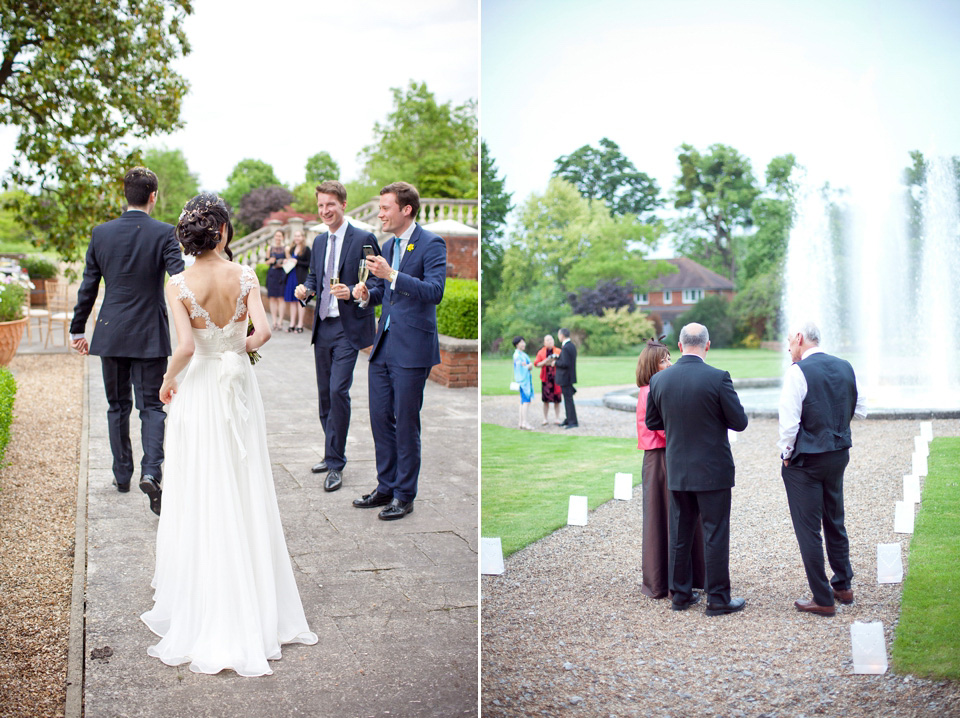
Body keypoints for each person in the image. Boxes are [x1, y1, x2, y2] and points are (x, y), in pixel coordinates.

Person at [141, 193, 317, 676]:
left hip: (198, 387)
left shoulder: (177, 283)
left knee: (201, 485)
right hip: (238, 385)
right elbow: (262, 333)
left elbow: (181, 348)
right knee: (243, 480)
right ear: (222, 231)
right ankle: (256, 599)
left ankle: (205, 598)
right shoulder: (245, 276)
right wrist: (234, 348)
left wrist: (166, 382)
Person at [70, 167, 185, 516]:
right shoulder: (165, 233)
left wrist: (78, 329)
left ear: (126, 195)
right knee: (151, 406)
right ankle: (152, 471)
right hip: (150, 333)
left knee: (116, 405)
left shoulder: (101, 233)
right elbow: (180, 281)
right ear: (153, 196)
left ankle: (122, 473)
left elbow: (89, 285)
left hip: (111, 332)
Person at [351, 181, 446, 521]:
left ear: (406, 209)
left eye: (386, 207)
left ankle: (405, 495)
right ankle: (386, 487)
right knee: (380, 419)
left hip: (413, 349)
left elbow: (435, 291)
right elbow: (382, 293)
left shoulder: (432, 243)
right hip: (383, 347)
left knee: (406, 423)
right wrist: (363, 294)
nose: (380, 213)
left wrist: (391, 274)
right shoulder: (388, 245)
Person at [645, 323, 748, 616]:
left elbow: (653, 423)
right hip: (713, 470)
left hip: (678, 467)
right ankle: (717, 599)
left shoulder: (660, 381)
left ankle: (680, 594)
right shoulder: (718, 378)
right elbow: (739, 421)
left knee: (680, 532)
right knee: (714, 531)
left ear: (679, 346)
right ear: (707, 345)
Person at [295, 181, 380, 492]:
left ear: (343, 204)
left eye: (330, 204)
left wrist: (359, 292)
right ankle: (331, 451)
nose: (324, 210)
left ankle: (336, 464)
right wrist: (305, 291)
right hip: (323, 327)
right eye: (320, 205)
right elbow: (315, 277)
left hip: (349, 329)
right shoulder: (318, 242)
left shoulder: (363, 238)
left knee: (337, 392)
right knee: (323, 397)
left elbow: (378, 282)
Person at [778, 321, 866, 616]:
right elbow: (861, 408)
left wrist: (786, 455)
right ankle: (843, 585)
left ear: (801, 339)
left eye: (790, 340)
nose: (788, 346)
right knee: (835, 520)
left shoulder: (797, 371)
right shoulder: (845, 366)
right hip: (839, 453)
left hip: (808, 460)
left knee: (808, 529)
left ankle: (822, 598)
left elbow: (789, 423)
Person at [635, 338, 706, 599]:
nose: (669, 363)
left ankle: (686, 577)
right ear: (651, 366)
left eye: (668, 358)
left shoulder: (655, 387)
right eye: (663, 360)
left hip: (665, 457)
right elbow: (659, 428)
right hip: (660, 460)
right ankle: (666, 582)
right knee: (667, 518)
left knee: (676, 517)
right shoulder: (650, 390)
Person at [284, 230, 311, 333]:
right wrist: (287, 261)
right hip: (291, 276)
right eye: (295, 236)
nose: (297, 238)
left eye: (299, 236)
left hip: (301, 277)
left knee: (300, 301)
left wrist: (297, 262)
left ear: (303, 237)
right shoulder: (292, 249)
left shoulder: (306, 249)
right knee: (292, 301)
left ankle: (300, 324)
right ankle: (292, 324)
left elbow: (309, 264)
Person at [534, 334, 562, 425]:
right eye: (548, 340)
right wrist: (545, 361)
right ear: (544, 342)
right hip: (546, 379)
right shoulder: (541, 352)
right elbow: (536, 364)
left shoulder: (558, 351)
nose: (550, 341)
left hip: (556, 378)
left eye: (551, 339)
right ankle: (545, 418)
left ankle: (557, 418)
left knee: (557, 400)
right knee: (545, 400)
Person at [554, 327, 578, 428]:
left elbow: (565, 363)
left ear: (562, 335)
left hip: (566, 378)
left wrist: (555, 362)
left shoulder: (567, 347)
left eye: (559, 335)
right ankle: (569, 419)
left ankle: (572, 421)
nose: (558, 337)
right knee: (568, 399)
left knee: (568, 400)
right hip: (568, 377)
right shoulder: (571, 346)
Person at [265, 229, 288, 330]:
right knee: (273, 298)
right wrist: (271, 260)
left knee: (281, 298)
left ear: (283, 237)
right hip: (272, 274)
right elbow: (266, 262)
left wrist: (284, 262)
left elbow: (289, 261)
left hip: (281, 274)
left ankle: (280, 321)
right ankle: (274, 321)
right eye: (276, 236)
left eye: (280, 236)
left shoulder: (286, 248)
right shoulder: (270, 248)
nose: (278, 238)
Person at [512, 336, 534, 430]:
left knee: (523, 401)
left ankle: (521, 422)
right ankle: (524, 422)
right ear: (517, 344)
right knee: (526, 401)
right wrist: (529, 366)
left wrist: (529, 365)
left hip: (525, 380)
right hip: (523, 381)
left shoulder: (522, 354)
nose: (523, 344)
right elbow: (523, 367)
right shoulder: (517, 355)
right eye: (521, 342)